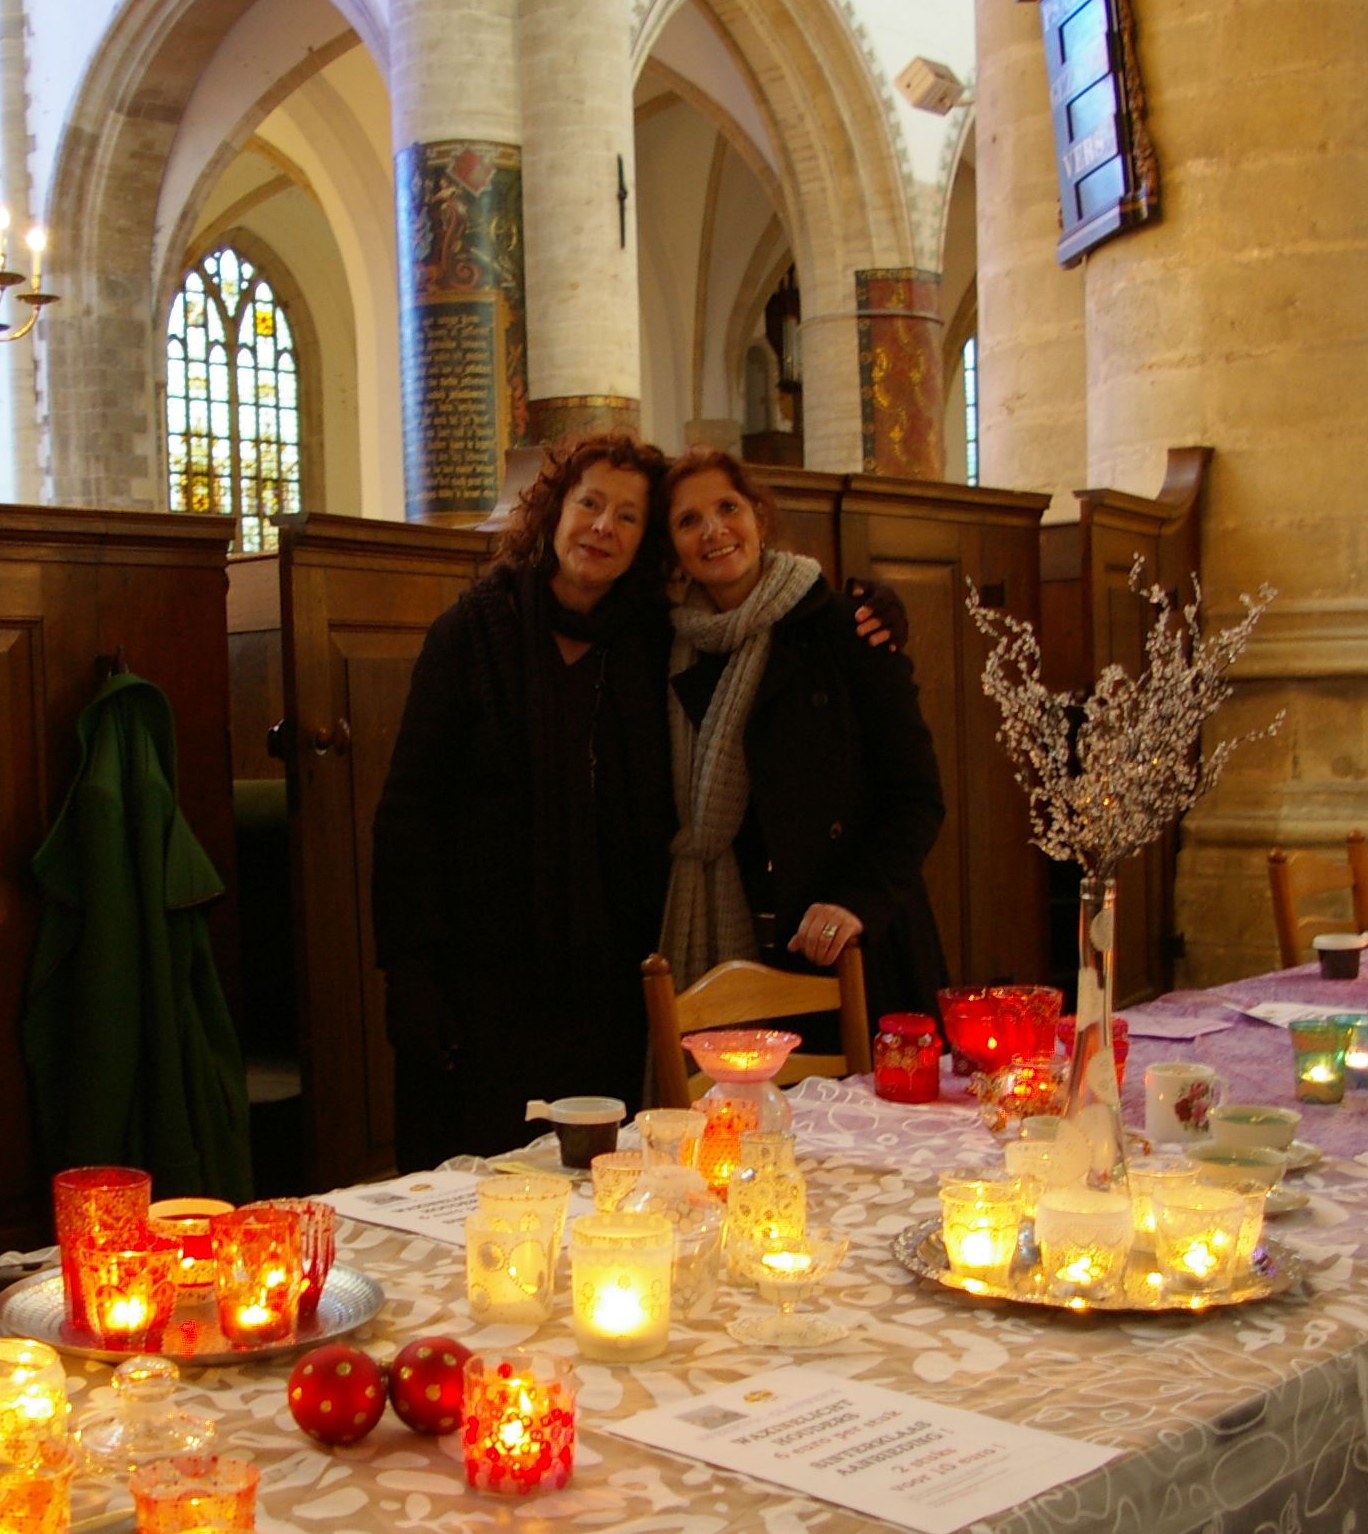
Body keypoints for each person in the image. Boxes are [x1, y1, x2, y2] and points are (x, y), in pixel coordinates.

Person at [370, 434, 677, 1168]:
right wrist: (409, 975)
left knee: (605, 1189)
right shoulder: (471, 633)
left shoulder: (657, 644)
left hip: (610, 983)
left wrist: (870, 609)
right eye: (590, 503)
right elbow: (408, 814)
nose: (603, 527)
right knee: (483, 1191)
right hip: (482, 985)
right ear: (554, 511)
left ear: (647, 539)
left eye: (629, 517)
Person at [657, 448, 948, 1018]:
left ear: (759, 518)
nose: (713, 531)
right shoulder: (670, 654)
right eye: (688, 521)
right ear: (673, 550)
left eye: (727, 507)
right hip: (728, 941)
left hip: (847, 947)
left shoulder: (847, 628)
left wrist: (853, 904)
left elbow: (917, 798)